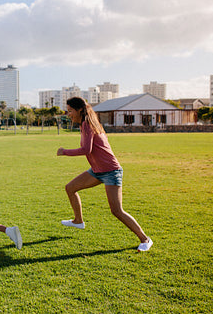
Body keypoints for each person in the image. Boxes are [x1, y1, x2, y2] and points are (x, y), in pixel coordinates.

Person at [56, 97, 153, 252]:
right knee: (70, 188)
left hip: (111, 171)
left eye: (70, 111)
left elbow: (86, 150)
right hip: (97, 171)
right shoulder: (85, 124)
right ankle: (78, 221)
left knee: (116, 210)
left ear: (80, 110)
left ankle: (145, 239)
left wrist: (64, 152)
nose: (68, 114)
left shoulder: (88, 124)